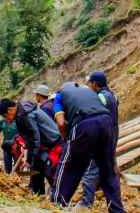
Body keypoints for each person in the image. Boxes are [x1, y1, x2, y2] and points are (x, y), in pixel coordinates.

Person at [52, 82, 124, 213]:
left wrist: (68, 139)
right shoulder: (89, 91)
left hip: (84, 123)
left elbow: (61, 123)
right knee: (107, 170)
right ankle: (117, 210)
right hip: (106, 123)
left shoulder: (59, 95)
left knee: (68, 165)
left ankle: (56, 204)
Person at [0, 98, 62, 195]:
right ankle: (38, 196)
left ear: (10, 110)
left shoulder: (25, 115)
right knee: (35, 171)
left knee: (50, 173)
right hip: (42, 145)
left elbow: (34, 138)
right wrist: (28, 157)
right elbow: (29, 139)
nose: (6, 119)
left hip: (52, 145)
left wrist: (29, 160)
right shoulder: (21, 113)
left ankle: (59, 199)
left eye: (5, 116)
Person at [80, 72, 120, 209]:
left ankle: (86, 204)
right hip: (112, 135)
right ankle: (116, 208)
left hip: (101, 139)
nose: (88, 86)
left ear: (95, 84)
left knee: (90, 172)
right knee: (108, 173)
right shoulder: (112, 95)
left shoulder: (101, 97)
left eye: (89, 83)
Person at [0, 100, 20, 174]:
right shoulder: (2, 122)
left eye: (5, 115)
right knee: (7, 166)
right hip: (6, 147)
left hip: (17, 147)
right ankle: (9, 179)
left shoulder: (18, 121)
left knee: (17, 166)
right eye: (3, 116)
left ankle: (18, 179)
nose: (5, 117)